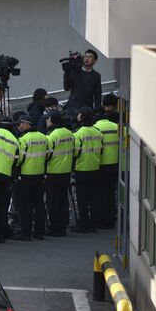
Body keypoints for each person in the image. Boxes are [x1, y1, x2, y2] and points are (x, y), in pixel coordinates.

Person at [13, 115, 48, 241]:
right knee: (38, 204)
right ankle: (40, 232)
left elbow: (19, 159)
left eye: (20, 124)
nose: (18, 126)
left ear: (27, 124)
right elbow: (48, 155)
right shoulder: (44, 137)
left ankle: (25, 232)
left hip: (26, 175)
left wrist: (15, 170)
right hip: (39, 174)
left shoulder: (23, 139)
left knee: (25, 206)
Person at [72, 107, 103, 233]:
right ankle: (93, 223)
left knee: (82, 199)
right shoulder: (98, 132)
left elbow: (75, 152)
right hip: (95, 167)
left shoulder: (79, 133)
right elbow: (101, 150)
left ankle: (83, 224)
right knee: (93, 198)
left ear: (83, 117)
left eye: (79, 114)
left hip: (82, 168)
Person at [44, 112, 74, 237]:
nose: (46, 122)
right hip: (66, 171)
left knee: (53, 202)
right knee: (63, 200)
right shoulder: (69, 133)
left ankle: (55, 227)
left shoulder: (52, 136)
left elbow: (47, 155)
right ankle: (63, 225)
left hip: (54, 171)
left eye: (48, 119)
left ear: (52, 120)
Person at [94, 95, 120, 228]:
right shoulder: (117, 126)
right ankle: (110, 219)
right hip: (115, 163)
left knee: (100, 193)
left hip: (100, 164)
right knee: (110, 192)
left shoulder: (96, 128)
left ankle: (101, 220)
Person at [64, 49, 102, 119]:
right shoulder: (75, 72)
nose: (87, 58)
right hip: (73, 108)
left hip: (87, 109)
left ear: (95, 61)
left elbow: (97, 95)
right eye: (85, 56)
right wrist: (66, 73)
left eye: (90, 57)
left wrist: (97, 111)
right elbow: (67, 88)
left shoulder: (96, 75)